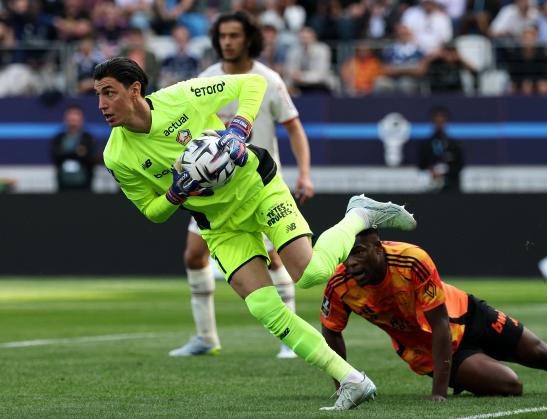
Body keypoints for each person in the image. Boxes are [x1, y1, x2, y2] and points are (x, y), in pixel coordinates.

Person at [93, 56, 417, 410]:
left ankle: (358, 214)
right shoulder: (116, 155)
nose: (102, 105)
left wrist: (237, 128)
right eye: (98, 95)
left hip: (257, 187)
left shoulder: (181, 96)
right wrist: (176, 193)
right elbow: (152, 212)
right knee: (265, 308)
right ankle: (353, 380)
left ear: (135, 89)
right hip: (220, 225)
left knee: (311, 274)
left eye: (109, 93)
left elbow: (252, 84)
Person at [168, 11, 314, 360]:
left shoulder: (269, 80)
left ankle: (289, 339)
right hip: (213, 189)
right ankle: (206, 337)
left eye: (234, 35)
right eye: (222, 36)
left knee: (275, 257)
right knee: (193, 254)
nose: (227, 42)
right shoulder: (206, 78)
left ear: (249, 38)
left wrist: (305, 174)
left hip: (256, 183)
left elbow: (294, 127)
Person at [321, 228, 547, 399]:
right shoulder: (339, 285)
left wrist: (439, 393)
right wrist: (344, 385)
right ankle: (473, 374)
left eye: (359, 252)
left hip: (467, 314)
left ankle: (476, 372)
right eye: (347, 255)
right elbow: (331, 332)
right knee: (511, 385)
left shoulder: (411, 260)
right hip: (429, 351)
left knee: (544, 354)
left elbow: (440, 323)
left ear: (378, 248)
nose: (352, 263)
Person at [50, 105, 98, 191]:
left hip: (85, 185)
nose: (73, 121)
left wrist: (66, 153)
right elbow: (56, 155)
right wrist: (77, 152)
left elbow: (90, 157)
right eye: (70, 118)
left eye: (76, 117)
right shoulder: (58, 138)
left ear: (82, 119)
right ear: (65, 119)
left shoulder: (88, 138)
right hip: (63, 185)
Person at [418, 106, 464, 192]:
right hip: (430, 187)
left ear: (446, 122)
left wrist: (445, 171)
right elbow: (421, 165)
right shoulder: (425, 144)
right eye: (437, 121)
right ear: (433, 122)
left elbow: (460, 165)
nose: (439, 124)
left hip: (451, 188)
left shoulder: (454, 144)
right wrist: (431, 170)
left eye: (442, 121)